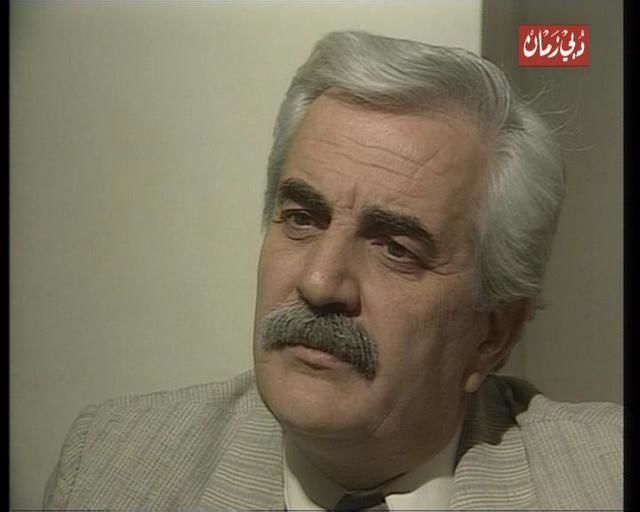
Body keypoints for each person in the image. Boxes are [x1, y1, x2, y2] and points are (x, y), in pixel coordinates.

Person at [43, 31, 622, 510]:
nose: (319, 283)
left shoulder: (605, 479)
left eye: (395, 249)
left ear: (493, 335)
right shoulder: (108, 467)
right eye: (301, 219)